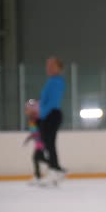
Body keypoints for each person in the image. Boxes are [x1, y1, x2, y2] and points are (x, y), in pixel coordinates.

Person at [38, 57, 66, 186]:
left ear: (58, 68)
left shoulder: (57, 81)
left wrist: (42, 114)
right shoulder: (51, 81)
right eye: (47, 65)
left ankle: (55, 170)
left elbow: (52, 102)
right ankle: (56, 169)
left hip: (51, 115)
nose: (48, 67)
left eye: (52, 65)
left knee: (49, 144)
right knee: (48, 144)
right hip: (47, 115)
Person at [23, 99, 48, 186]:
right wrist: (28, 138)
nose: (26, 111)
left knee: (36, 158)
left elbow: (41, 131)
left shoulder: (36, 119)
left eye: (28, 109)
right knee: (38, 158)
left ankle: (54, 168)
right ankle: (52, 167)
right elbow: (34, 132)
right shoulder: (32, 120)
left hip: (41, 143)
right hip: (39, 143)